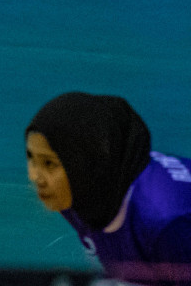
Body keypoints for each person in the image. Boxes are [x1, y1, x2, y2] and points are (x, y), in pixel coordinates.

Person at [27, 92, 191, 285]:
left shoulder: (165, 222)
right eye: (32, 159)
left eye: (49, 163)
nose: (36, 177)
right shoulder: (75, 192)